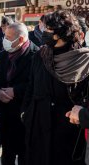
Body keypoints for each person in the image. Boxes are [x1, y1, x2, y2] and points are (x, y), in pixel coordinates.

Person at [22, 10, 89, 165]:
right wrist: (25, 113)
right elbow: (31, 87)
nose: (44, 32)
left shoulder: (83, 59)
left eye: (49, 29)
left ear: (61, 33)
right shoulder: (41, 56)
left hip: (68, 133)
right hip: (38, 128)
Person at [0, 22, 39, 165]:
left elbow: (37, 85)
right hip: (5, 116)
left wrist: (15, 91)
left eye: (8, 37)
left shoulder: (37, 56)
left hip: (25, 117)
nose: (5, 40)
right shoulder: (3, 56)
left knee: (25, 156)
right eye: (5, 36)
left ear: (20, 39)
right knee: (7, 156)